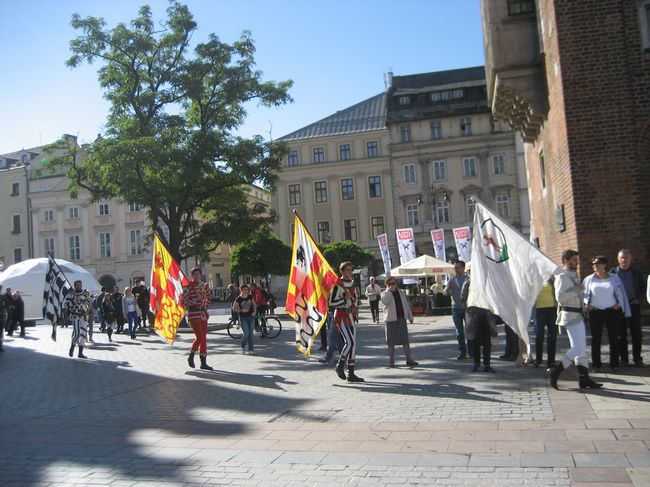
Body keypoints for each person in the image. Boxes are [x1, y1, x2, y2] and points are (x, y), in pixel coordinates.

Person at [549, 250, 602, 389]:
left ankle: (584, 379)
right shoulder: (562, 277)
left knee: (581, 348)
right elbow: (560, 298)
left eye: (576, 259)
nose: (576, 262)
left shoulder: (573, 276)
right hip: (569, 315)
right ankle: (555, 372)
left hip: (578, 315)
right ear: (566, 261)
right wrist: (576, 289)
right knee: (577, 348)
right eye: (573, 260)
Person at [583, 255, 630, 372]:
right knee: (596, 338)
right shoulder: (589, 279)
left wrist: (619, 304)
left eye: (598, 263)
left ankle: (614, 363)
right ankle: (596, 364)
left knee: (613, 337)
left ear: (604, 265)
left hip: (611, 311)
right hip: (596, 312)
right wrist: (586, 305)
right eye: (593, 264)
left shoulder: (614, 278)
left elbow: (621, 293)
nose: (595, 266)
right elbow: (583, 295)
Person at [610, 249, 645, 366]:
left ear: (631, 259)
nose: (624, 260)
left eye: (627, 258)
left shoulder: (637, 273)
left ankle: (637, 359)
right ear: (618, 259)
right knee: (621, 334)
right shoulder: (612, 273)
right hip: (619, 306)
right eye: (622, 258)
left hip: (633, 304)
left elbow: (643, 288)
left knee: (636, 333)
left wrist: (638, 299)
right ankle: (624, 359)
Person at [329, 261, 364, 382]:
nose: (349, 272)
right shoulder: (337, 284)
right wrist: (344, 298)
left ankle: (351, 373)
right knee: (350, 342)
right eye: (347, 270)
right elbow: (331, 303)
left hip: (351, 315)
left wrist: (354, 303)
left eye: (350, 270)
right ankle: (339, 365)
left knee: (353, 345)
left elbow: (355, 298)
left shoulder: (353, 283)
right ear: (342, 271)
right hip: (341, 315)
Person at [380, 277, 418, 367]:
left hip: (401, 319)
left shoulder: (401, 292)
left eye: (393, 283)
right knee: (391, 342)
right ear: (386, 285)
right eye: (389, 284)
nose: (392, 285)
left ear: (396, 283)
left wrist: (410, 316)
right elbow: (385, 301)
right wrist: (389, 291)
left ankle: (409, 359)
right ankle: (391, 361)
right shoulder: (384, 293)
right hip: (390, 320)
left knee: (405, 341)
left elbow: (406, 304)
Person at [182, 267, 213, 370]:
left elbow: (209, 298)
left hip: (203, 314)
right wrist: (196, 300)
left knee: (203, 338)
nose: (197, 276)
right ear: (192, 275)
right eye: (195, 274)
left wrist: (204, 304)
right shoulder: (188, 287)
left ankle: (203, 362)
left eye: (198, 274)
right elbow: (184, 302)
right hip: (194, 314)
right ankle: (191, 356)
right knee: (199, 337)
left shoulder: (205, 285)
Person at [444, 261, 469, 359]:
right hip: (456, 309)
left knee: (469, 331)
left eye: (458, 267)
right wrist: (448, 288)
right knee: (459, 333)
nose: (456, 269)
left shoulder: (469, 279)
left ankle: (471, 351)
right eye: (455, 268)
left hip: (467, 309)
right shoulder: (452, 279)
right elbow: (445, 293)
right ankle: (462, 352)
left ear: (463, 268)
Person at [534, 278, 557, 368]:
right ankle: (538, 359)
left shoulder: (552, 279)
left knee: (552, 335)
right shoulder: (535, 278)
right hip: (539, 309)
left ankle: (551, 361)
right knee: (539, 335)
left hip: (552, 309)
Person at [65, 279, 92, 359]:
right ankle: (72, 347)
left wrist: (88, 310)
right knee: (76, 334)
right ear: (74, 286)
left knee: (83, 334)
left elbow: (89, 302)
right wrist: (74, 302)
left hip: (83, 316)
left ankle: (80, 353)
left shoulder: (86, 292)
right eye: (77, 285)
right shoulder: (71, 293)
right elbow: (67, 304)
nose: (79, 287)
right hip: (75, 316)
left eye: (80, 285)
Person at [233, 284, 256, 355]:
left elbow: (254, 304)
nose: (245, 291)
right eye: (244, 290)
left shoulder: (250, 296)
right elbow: (234, 308)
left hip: (251, 316)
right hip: (243, 317)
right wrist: (240, 310)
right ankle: (243, 347)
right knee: (246, 333)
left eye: (247, 290)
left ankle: (250, 349)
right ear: (241, 290)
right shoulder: (238, 298)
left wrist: (254, 312)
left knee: (251, 334)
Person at [0, 285, 6, 352]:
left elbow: (7, 306)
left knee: (1, 332)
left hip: (1, 317)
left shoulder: (3, 297)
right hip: (2, 317)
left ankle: (0, 346)